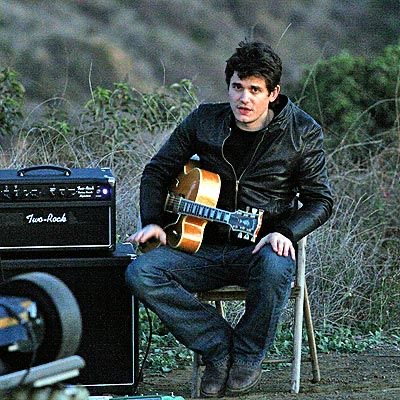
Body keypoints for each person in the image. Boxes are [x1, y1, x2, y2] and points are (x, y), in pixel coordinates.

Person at [125, 40, 333, 397]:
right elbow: (158, 170)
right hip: (201, 246)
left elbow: (321, 200)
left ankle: (248, 357)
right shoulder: (205, 120)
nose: (244, 98)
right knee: (140, 272)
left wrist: (286, 232)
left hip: (261, 249)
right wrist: (154, 220)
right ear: (229, 86)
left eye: (255, 90)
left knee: (275, 267)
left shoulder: (302, 131)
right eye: (237, 87)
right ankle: (218, 348)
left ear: (273, 93)